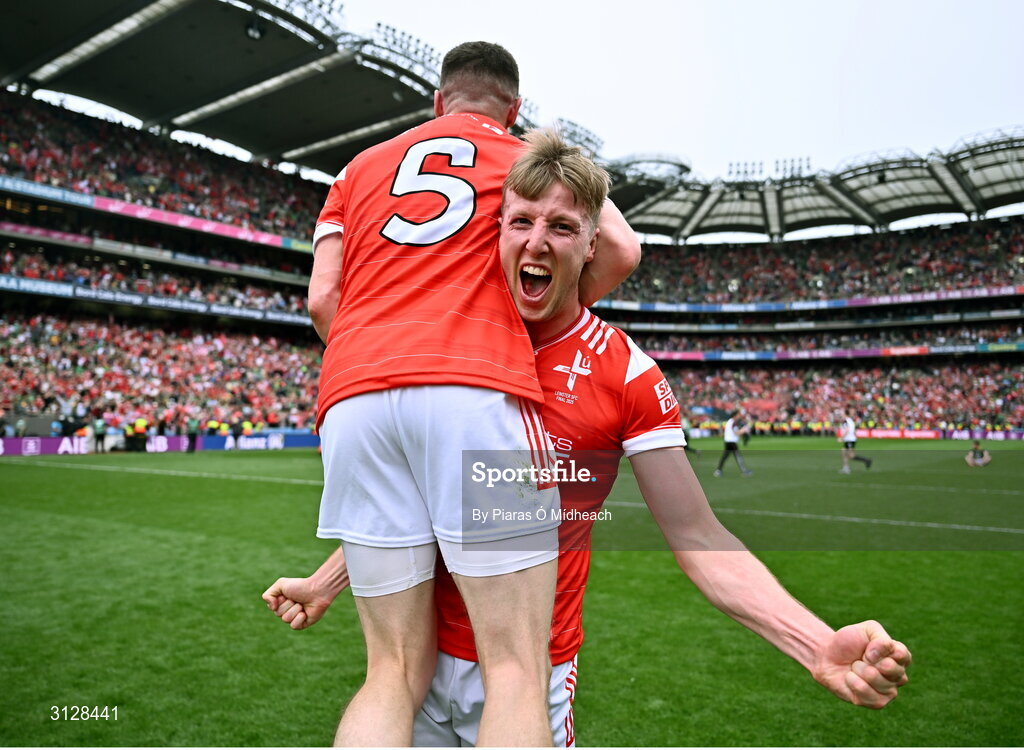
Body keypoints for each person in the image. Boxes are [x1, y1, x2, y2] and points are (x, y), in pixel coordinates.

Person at [265, 131, 911, 745]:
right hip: (422, 662)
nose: (537, 243)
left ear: (592, 245)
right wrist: (329, 579)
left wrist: (814, 642)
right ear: (496, 232)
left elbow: (697, 536)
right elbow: (424, 497)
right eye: (521, 223)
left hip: (528, 669)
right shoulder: (446, 357)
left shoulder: (622, 370)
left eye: (562, 227)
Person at [302, 42, 640, 747]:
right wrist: (534, 324)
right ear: (513, 109)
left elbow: (321, 297)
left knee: (390, 671)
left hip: (354, 390)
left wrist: (377, 359)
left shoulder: (356, 170)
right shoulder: (520, 160)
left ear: (437, 101)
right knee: (515, 668)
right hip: (474, 382)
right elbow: (622, 250)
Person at [714, 409, 753, 477]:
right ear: (735, 415)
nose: (740, 416)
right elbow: (736, 433)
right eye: (738, 414)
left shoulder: (730, 421)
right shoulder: (733, 422)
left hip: (728, 441)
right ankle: (744, 471)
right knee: (738, 456)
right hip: (732, 442)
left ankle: (718, 471)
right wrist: (744, 430)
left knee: (725, 457)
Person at [837, 409, 872, 474]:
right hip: (850, 439)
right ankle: (846, 468)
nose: (840, 414)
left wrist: (841, 438)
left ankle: (867, 460)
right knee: (844, 453)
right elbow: (853, 429)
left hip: (849, 440)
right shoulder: (850, 420)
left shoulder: (846, 421)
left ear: (845, 413)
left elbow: (847, 430)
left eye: (842, 413)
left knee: (851, 456)